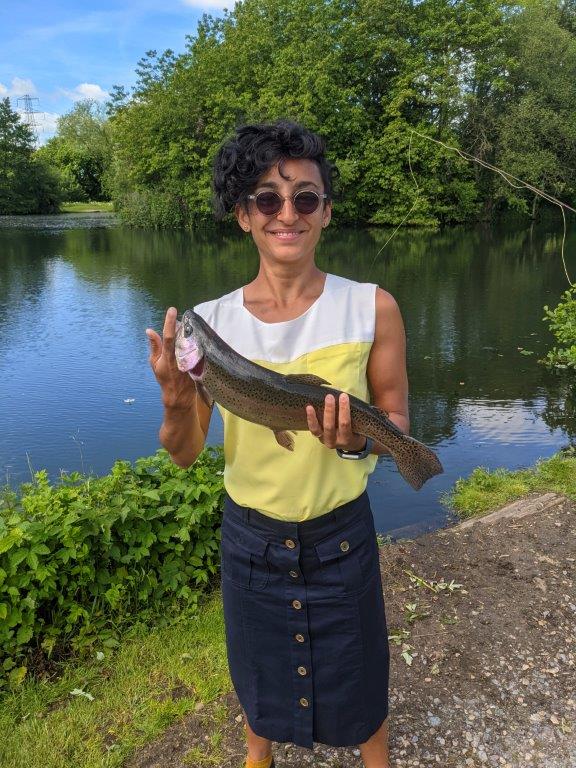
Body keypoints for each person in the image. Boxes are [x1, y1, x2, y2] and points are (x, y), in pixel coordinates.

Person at [146, 120, 409, 768]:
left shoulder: (373, 307)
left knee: (362, 680)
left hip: (341, 536)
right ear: (243, 214)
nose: (286, 213)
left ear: (325, 212)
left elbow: (395, 421)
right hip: (249, 540)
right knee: (257, 675)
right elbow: (183, 452)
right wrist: (179, 401)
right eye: (267, 198)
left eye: (304, 198)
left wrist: (358, 444)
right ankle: (256, 757)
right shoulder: (207, 326)